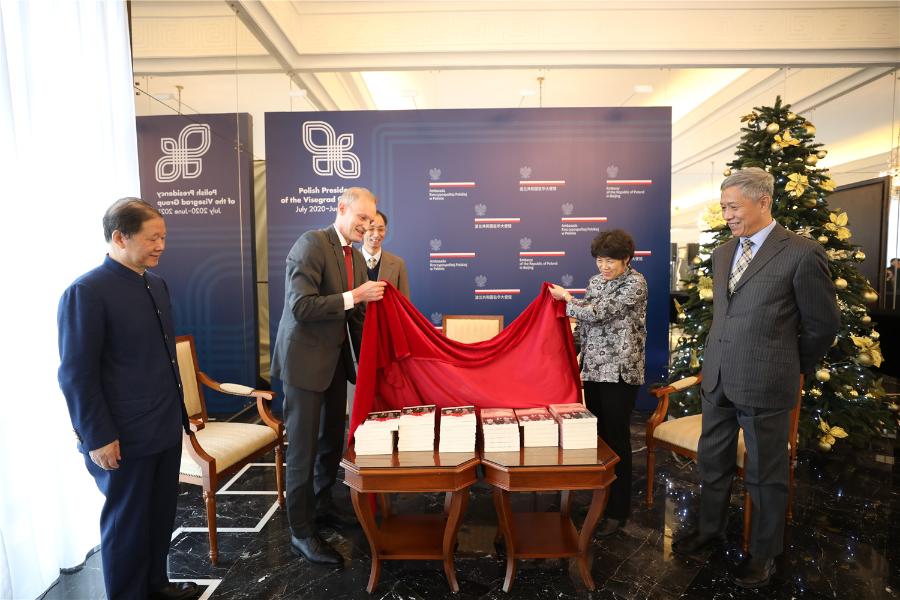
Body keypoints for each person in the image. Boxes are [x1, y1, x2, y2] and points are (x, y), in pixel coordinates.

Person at [672, 168, 840, 589]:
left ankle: (764, 553)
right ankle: (710, 531)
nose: (727, 215)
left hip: (766, 382)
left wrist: (790, 363)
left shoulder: (801, 252)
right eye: (723, 207)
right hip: (718, 378)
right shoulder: (723, 252)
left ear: (763, 201)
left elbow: (822, 325)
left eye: (734, 207)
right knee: (713, 463)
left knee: (766, 474)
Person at [57, 198, 198, 600]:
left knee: (159, 516)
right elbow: (76, 374)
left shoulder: (156, 284)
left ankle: (156, 585)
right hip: (122, 436)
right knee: (127, 525)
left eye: (164, 237)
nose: (161, 246)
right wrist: (98, 437)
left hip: (163, 427)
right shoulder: (86, 291)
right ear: (120, 237)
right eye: (153, 238)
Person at [271, 187, 386, 566]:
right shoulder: (311, 244)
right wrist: (356, 296)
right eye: (362, 217)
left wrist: (376, 358)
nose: (366, 225)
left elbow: (355, 316)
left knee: (330, 441)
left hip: (334, 362)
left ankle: (322, 507)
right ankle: (301, 532)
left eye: (371, 220)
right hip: (304, 364)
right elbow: (301, 306)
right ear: (341, 208)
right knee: (302, 450)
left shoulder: (352, 255)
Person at [549, 229, 647, 538]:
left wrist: (567, 299)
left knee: (617, 439)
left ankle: (618, 511)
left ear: (626, 259)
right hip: (593, 371)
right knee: (600, 440)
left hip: (620, 373)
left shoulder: (635, 283)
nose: (604, 267)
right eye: (600, 260)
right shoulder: (595, 282)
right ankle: (600, 502)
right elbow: (584, 326)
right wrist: (569, 353)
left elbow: (598, 314)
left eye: (610, 261)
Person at [362, 210, 411, 299]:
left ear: (385, 230)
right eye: (371, 229)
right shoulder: (350, 261)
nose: (376, 234)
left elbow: (404, 302)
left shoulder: (398, 264)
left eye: (380, 229)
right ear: (363, 229)